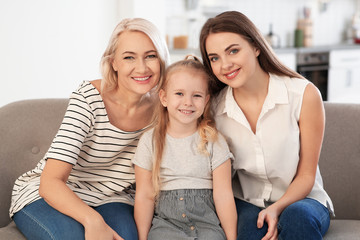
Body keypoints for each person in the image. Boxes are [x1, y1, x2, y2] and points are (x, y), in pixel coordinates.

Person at [9, 18, 170, 240]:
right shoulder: (88, 99)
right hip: (50, 193)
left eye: (150, 56)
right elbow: (51, 182)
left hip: (114, 198)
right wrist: (92, 220)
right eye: (129, 57)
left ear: (162, 59)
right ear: (113, 62)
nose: (141, 67)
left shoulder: (166, 106)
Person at [199, 11, 334, 240]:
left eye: (233, 50)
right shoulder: (214, 110)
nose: (225, 64)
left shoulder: (303, 95)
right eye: (214, 58)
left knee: (297, 219)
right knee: (253, 230)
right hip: (247, 203)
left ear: (256, 47)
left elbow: (306, 174)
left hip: (303, 200)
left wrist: (277, 207)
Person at [132, 56, 237, 240]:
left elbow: (224, 196)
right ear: (164, 98)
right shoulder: (150, 141)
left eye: (196, 95)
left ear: (206, 101)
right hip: (166, 223)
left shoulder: (214, 140)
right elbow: (144, 196)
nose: (188, 102)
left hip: (207, 223)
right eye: (179, 94)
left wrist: (231, 238)